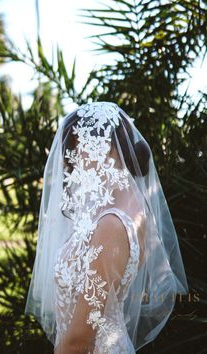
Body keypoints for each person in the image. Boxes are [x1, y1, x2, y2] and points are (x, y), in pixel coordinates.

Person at [24, 101, 189, 354]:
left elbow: (78, 340)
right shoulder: (132, 210)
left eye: (77, 151)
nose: (71, 164)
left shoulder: (111, 225)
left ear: (106, 149)